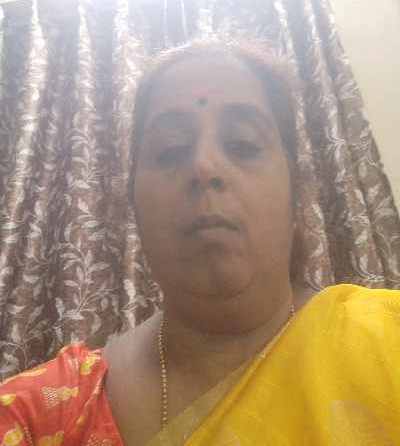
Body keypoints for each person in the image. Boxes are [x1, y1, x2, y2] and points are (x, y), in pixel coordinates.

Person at [0, 40, 399, 446]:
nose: (204, 166)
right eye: (171, 149)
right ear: (134, 204)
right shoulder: (36, 417)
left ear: (295, 195)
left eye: (242, 144)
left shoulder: (389, 338)